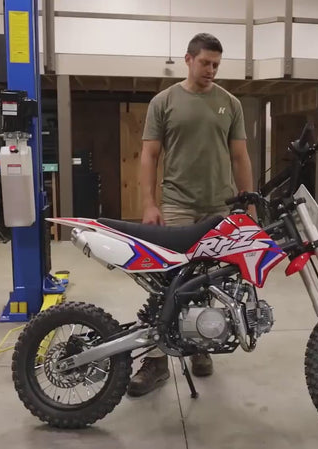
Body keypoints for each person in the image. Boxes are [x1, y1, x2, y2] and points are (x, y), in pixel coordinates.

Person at [127, 32, 255, 397]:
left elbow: (240, 157)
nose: (211, 70)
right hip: (177, 205)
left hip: (218, 206)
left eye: (216, 64)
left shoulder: (230, 103)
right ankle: (155, 360)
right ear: (188, 59)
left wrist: (247, 205)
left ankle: (200, 343)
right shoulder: (164, 101)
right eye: (205, 63)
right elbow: (149, 155)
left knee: (208, 282)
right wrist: (149, 204)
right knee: (166, 283)